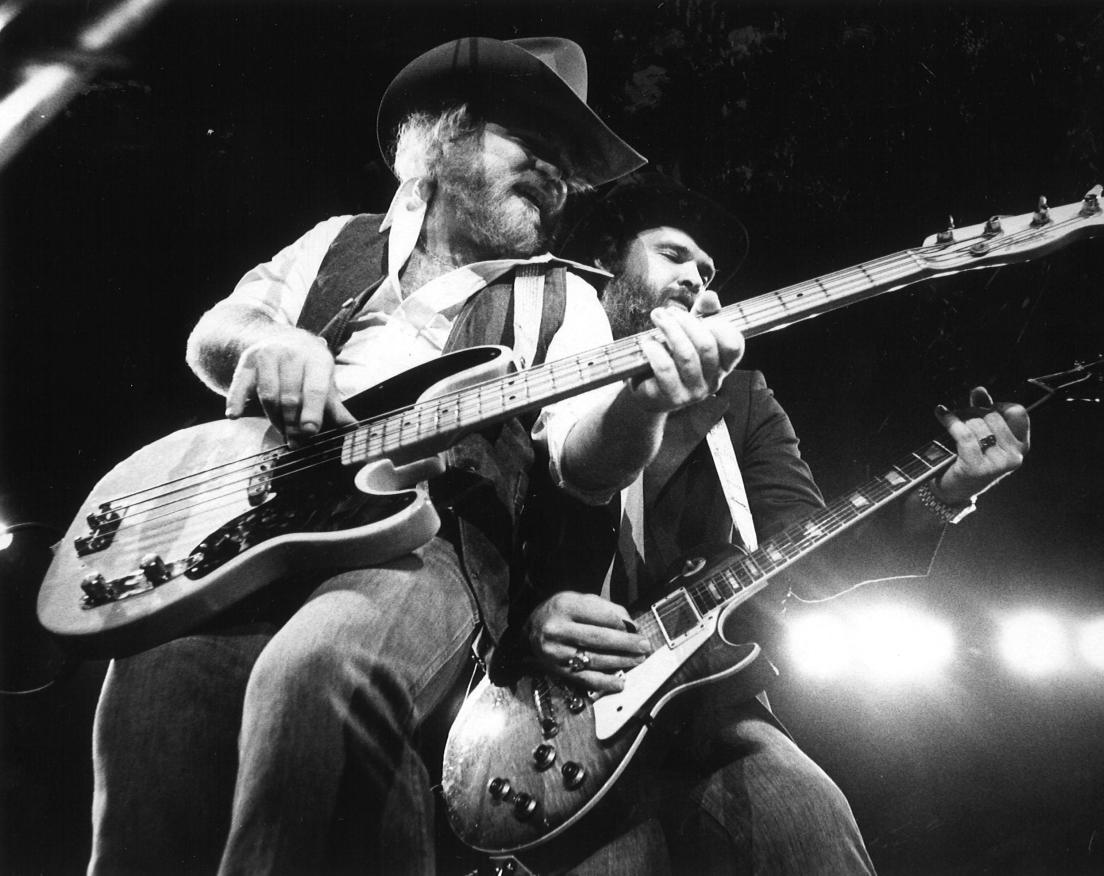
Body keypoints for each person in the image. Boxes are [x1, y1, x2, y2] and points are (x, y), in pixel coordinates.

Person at [88, 40, 744, 875]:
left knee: (322, 669)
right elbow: (215, 334)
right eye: (530, 144)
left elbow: (584, 463)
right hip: (256, 534)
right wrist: (273, 341)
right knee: (155, 678)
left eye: (569, 168)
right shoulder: (336, 243)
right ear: (443, 138)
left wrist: (647, 398)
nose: (556, 176)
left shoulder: (562, 295)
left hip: (431, 549)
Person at [515, 172, 1031, 874]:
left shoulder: (744, 401)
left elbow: (811, 548)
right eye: (674, 254)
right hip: (538, 718)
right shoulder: (540, 352)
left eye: (707, 270)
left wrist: (943, 491)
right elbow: (476, 522)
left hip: (705, 712)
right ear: (612, 263)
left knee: (811, 820)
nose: (695, 276)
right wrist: (528, 621)